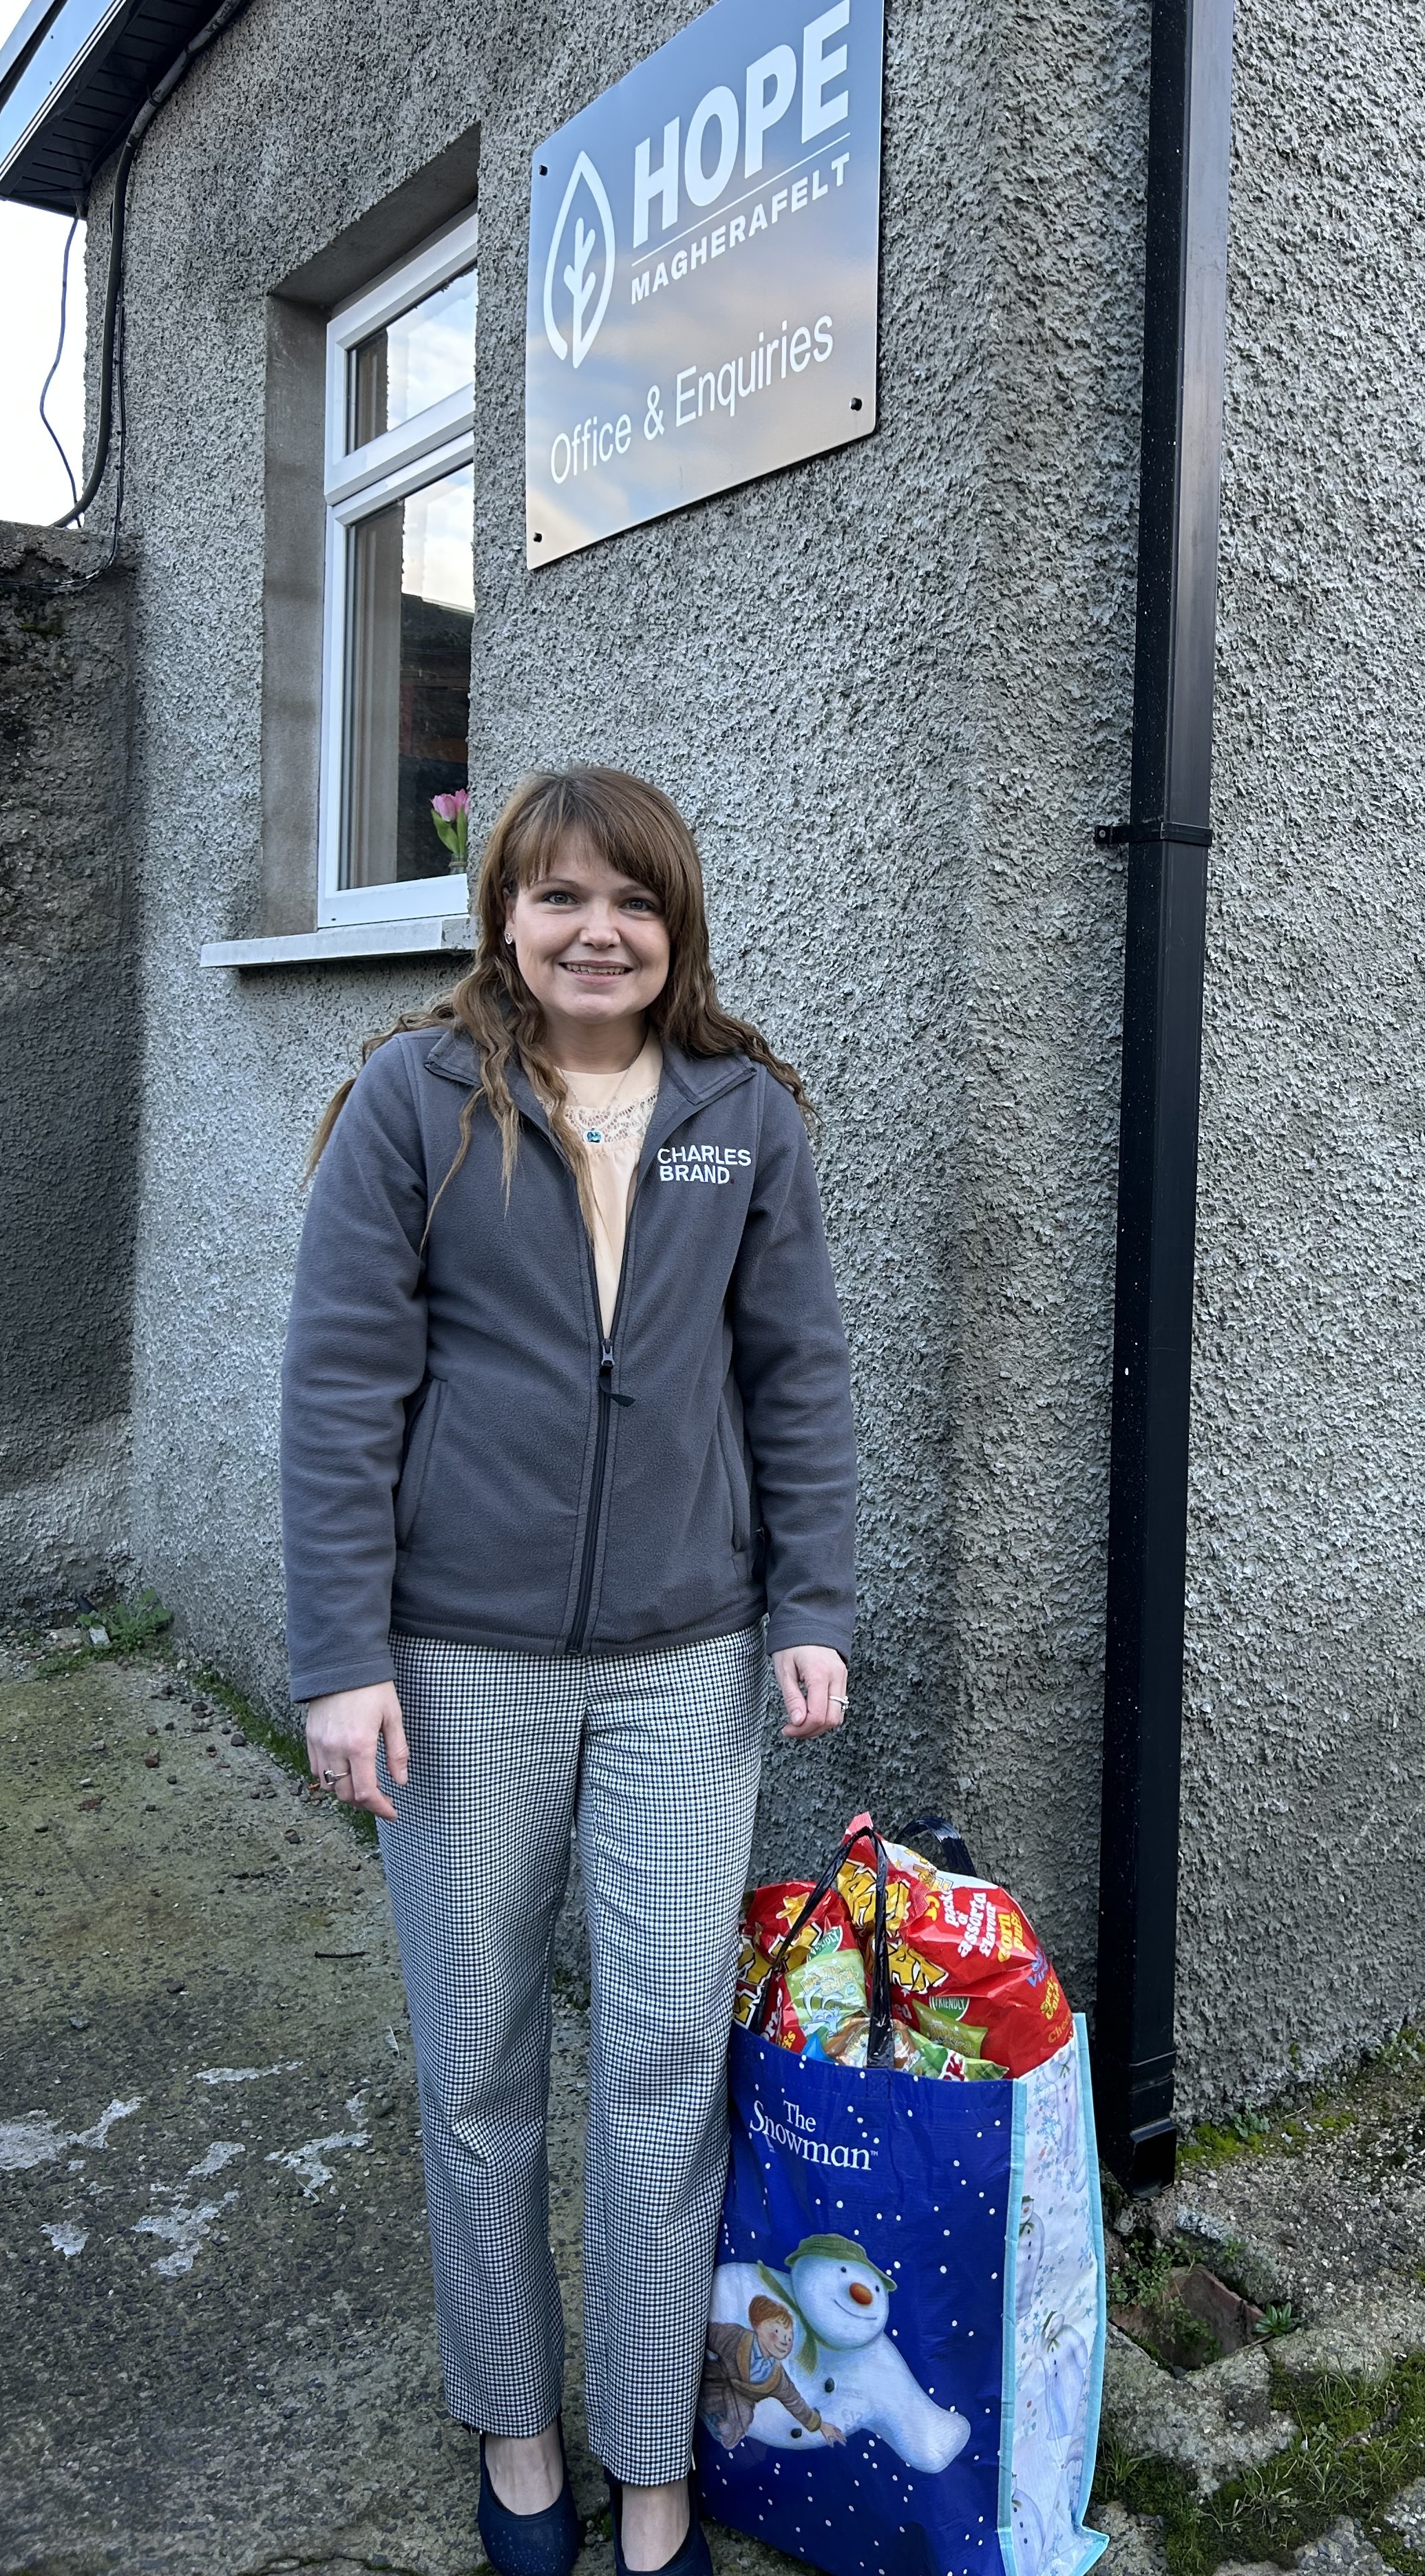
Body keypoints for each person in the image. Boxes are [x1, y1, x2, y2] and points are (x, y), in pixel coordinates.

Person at [283, 767, 856, 2576]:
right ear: (505, 922)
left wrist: (814, 1607)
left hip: (688, 1664)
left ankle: (652, 2461)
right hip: (458, 1667)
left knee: (672, 2053)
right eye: (560, 899)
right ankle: (520, 2439)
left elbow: (801, 1381)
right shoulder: (415, 1102)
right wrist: (339, 1658)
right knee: (477, 2061)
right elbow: (340, 1392)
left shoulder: (739, 1114)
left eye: (634, 902)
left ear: (673, 929)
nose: (597, 930)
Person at [698, 2294, 846, 2450]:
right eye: (777, 2330)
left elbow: (794, 2402)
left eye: (789, 2338)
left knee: (737, 2424)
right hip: (713, 2376)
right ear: (758, 2325)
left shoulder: (777, 2378)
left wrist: (820, 2425)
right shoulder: (736, 2337)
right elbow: (709, 2333)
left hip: (740, 2403)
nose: (784, 2341)